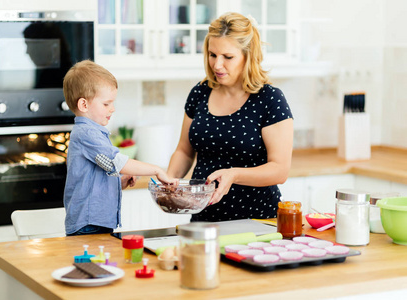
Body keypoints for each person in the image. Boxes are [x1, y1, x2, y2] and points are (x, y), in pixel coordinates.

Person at [167, 12, 294, 222]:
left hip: (257, 221)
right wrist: (170, 181)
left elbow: (280, 170)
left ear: (248, 56)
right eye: (212, 54)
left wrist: (233, 174)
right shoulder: (200, 93)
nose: (217, 65)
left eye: (228, 57)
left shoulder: (269, 99)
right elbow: (184, 151)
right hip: (204, 218)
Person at [63, 60, 178, 236]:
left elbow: (100, 174)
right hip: (88, 224)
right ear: (84, 105)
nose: (113, 109)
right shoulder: (87, 133)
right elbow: (118, 162)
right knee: (93, 264)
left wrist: (120, 181)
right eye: (106, 104)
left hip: (95, 221)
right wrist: (156, 170)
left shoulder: (93, 133)